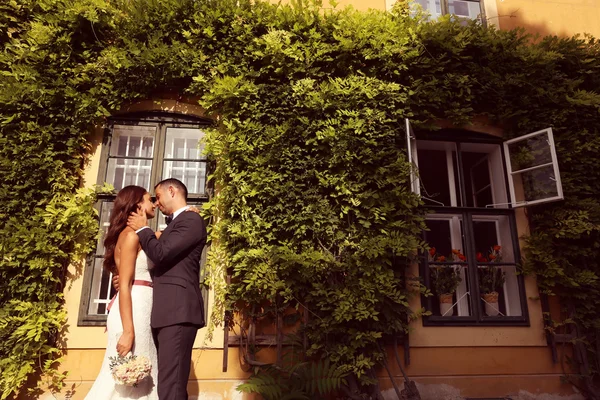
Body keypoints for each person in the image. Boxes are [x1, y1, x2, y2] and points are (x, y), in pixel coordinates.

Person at [127, 178, 207, 400]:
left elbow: (161, 254)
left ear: (171, 191)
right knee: (168, 384)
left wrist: (143, 228)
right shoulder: (176, 224)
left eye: (158, 197)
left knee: (171, 387)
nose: (156, 203)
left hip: (177, 311)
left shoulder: (191, 220)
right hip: (166, 312)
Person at [85, 185, 159, 400]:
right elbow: (124, 285)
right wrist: (128, 331)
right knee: (128, 374)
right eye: (148, 199)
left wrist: (189, 213)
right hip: (132, 309)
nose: (153, 203)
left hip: (142, 307)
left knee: (143, 370)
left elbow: (165, 239)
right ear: (137, 205)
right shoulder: (130, 236)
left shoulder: (141, 235)